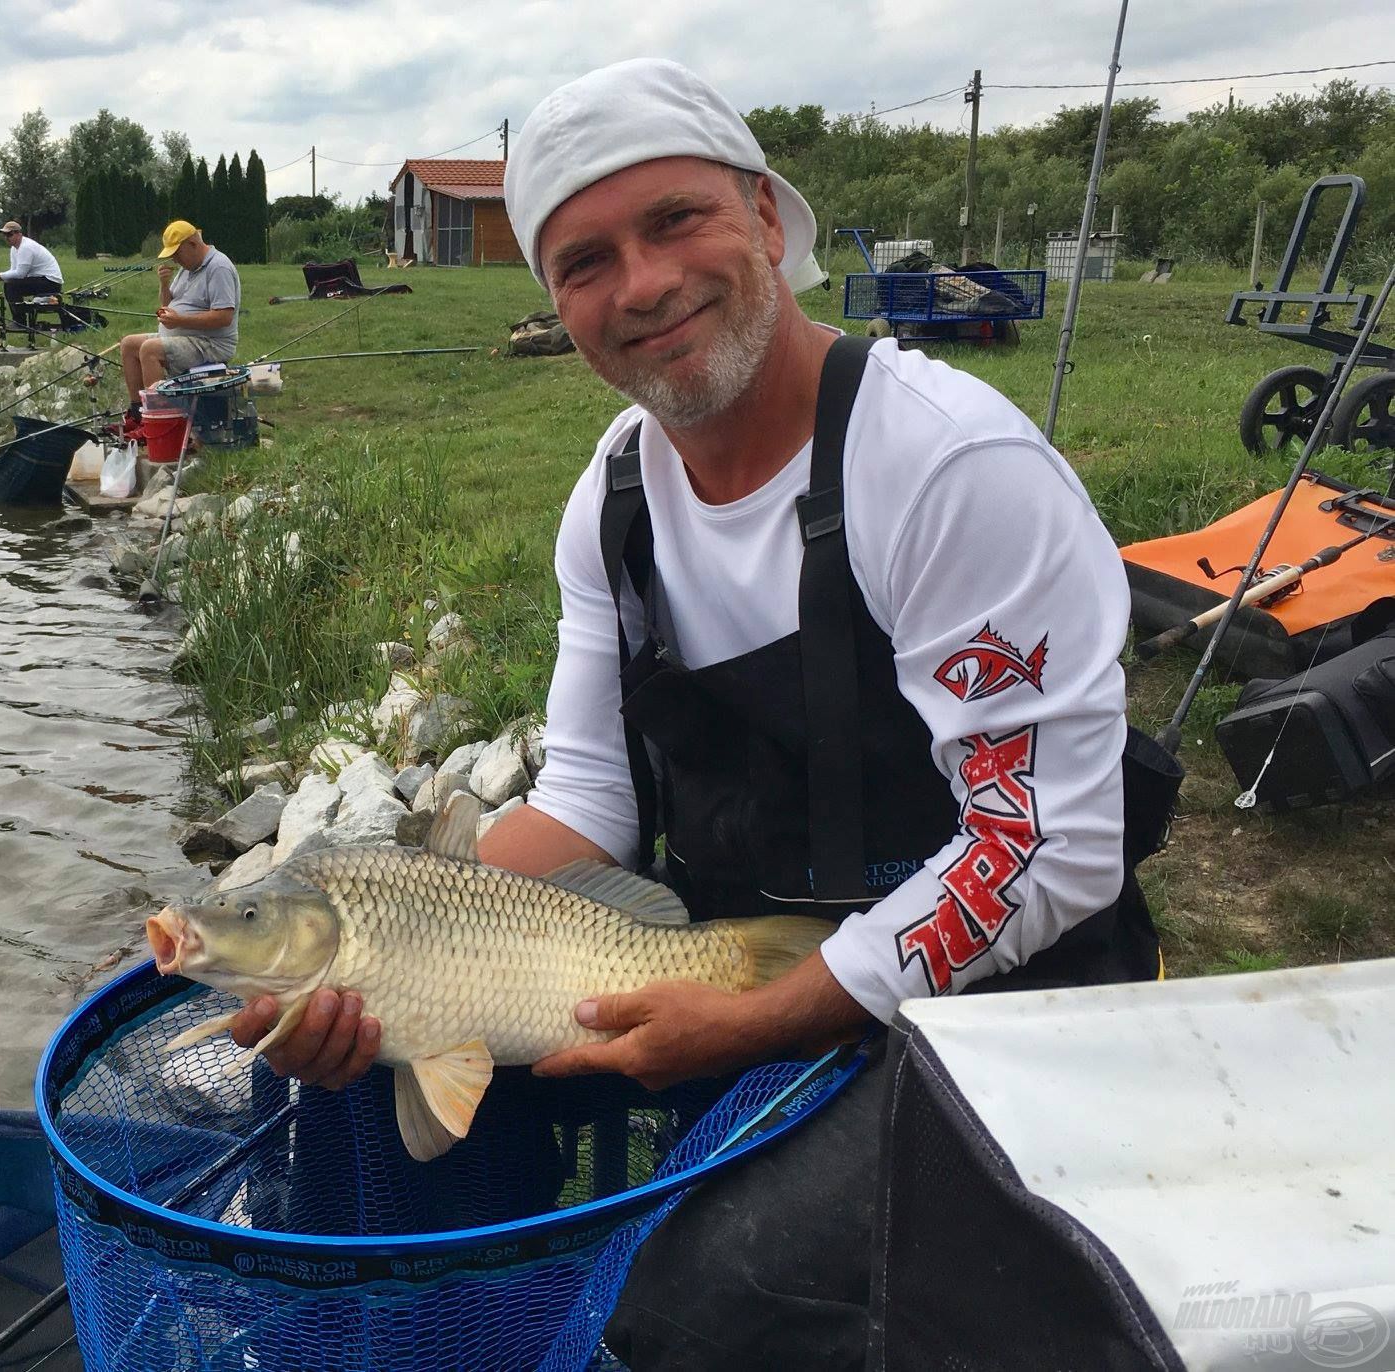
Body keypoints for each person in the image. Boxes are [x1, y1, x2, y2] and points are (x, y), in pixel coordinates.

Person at [224, 57, 1168, 1370]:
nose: (644, 285)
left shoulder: (950, 468)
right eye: (585, 261)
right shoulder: (611, 502)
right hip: (717, 969)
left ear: (767, 222)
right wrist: (383, 937)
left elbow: (1041, 851)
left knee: (698, 1303)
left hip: (996, 1004)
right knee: (326, 1092)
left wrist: (769, 1017)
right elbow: (589, 806)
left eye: (675, 221)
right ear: (558, 306)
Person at [118, 220, 240, 432]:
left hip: (211, 343)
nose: (175, 259)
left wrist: (180, 321)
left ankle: (160, 423)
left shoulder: (218, 267)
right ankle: (137, 414)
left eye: (177, 253)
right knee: (129, 344)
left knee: (150, 349)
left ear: (192, 243)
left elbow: (224, 317)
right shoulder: (187, 267)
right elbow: (167, 304)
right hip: (182, 336)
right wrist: (164, 284)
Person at [0, 221, 63, 332]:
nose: (6, 238)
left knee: (11, 286)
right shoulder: (15, 249)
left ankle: (20, 323)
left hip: (51, 282)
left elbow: (20, 274)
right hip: (42, 280)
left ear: (18, 234)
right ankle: (19, 321)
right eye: (5, 235)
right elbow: (14, 272)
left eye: (9, 234)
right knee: (10, 284)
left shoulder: (26, 247)